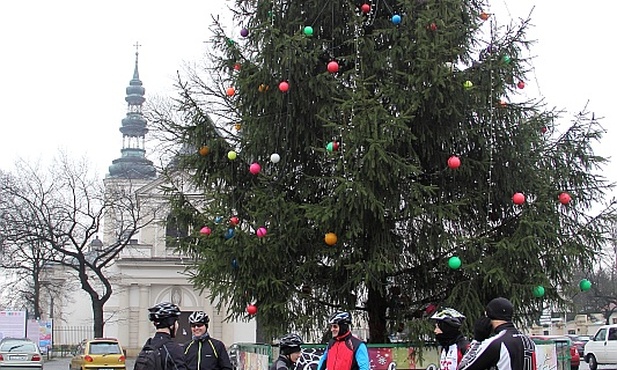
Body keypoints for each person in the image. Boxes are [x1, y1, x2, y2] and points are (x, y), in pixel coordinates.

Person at [457, 297, 537, 370]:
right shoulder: (530, 342)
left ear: (488, 316)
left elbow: (463, 367)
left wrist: (477, 340)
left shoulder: (495, 343)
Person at [141, 301, 187, 370]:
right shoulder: (173, 349)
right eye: (176, 322)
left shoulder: (148, 346)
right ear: (171, 325)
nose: (177, 325)